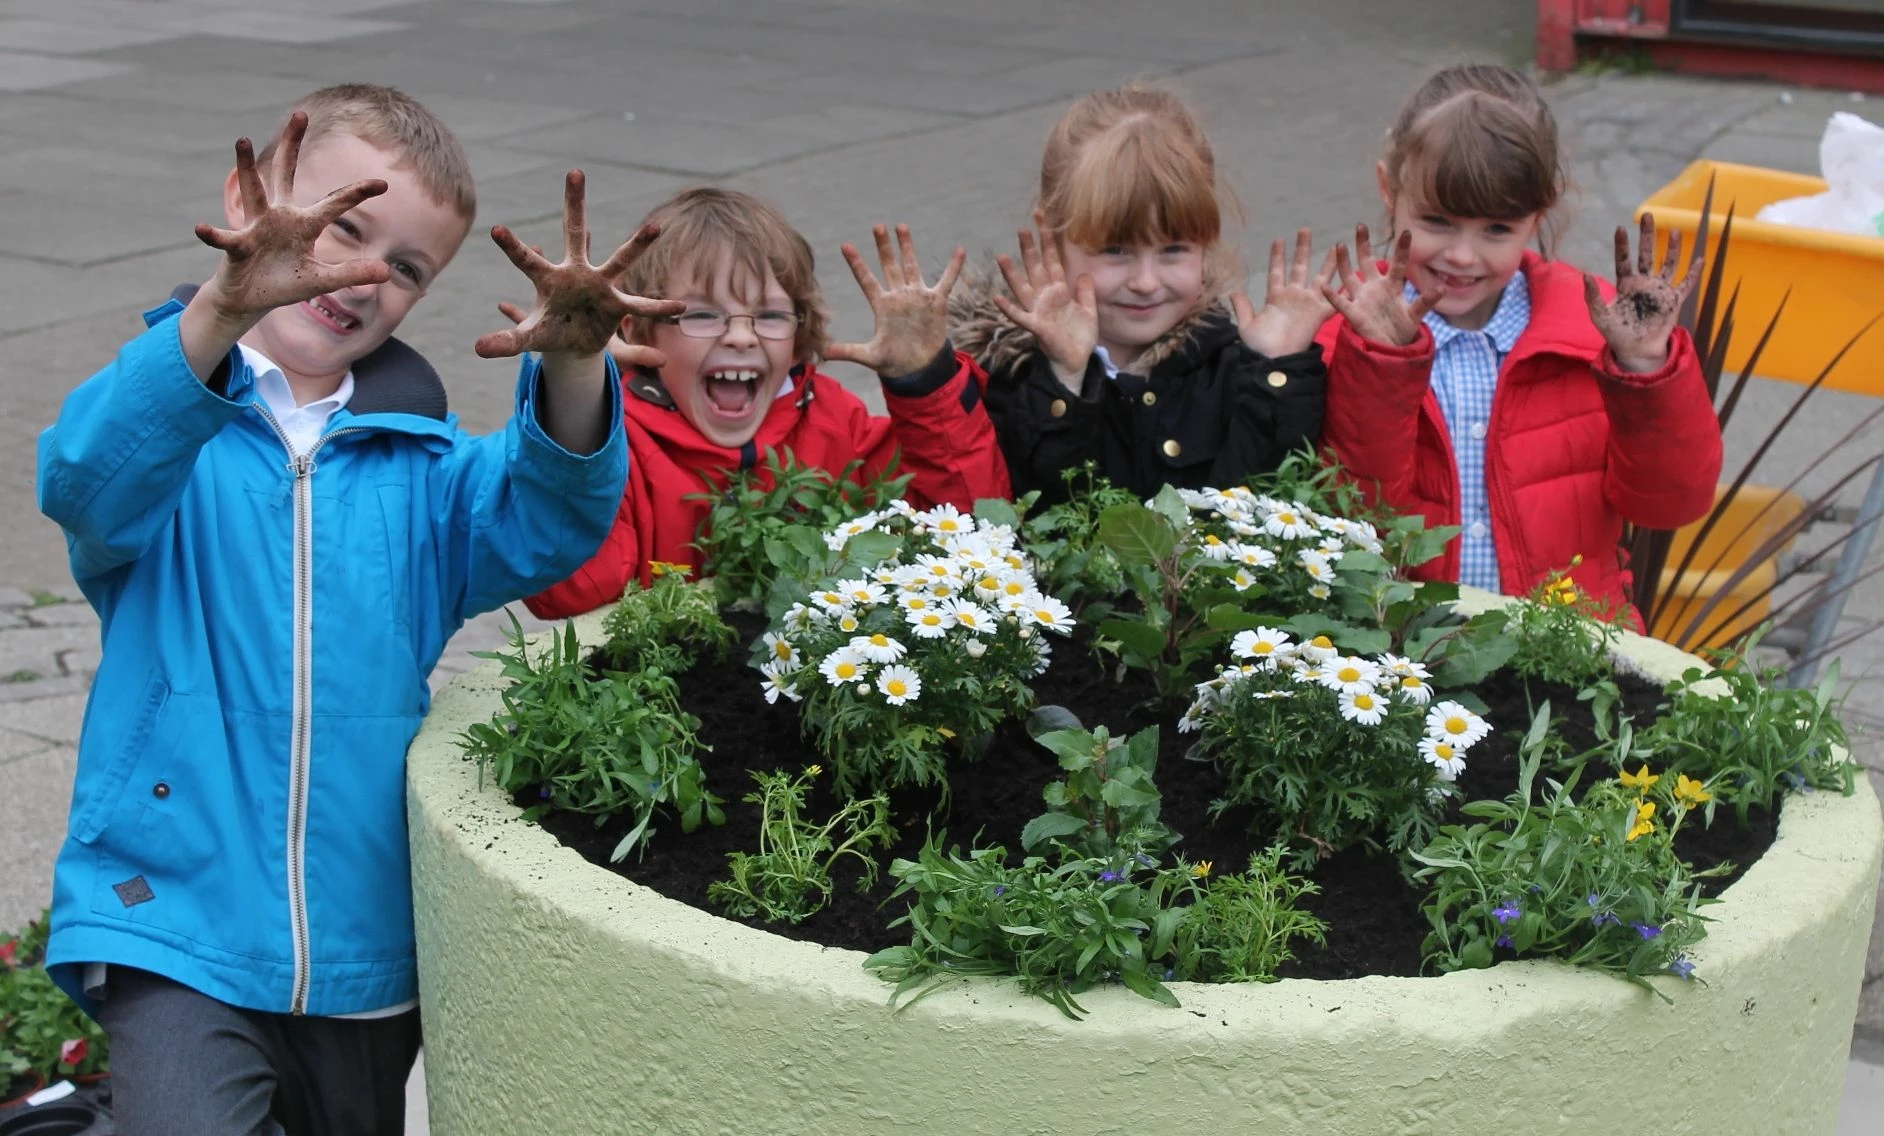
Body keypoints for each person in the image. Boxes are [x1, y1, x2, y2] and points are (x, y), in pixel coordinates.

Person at [36, 84, 672, 1134]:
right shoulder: (169, 428)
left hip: (364, 943)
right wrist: (219, 310)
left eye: (407, 266)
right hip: (172, 916)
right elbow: (84, 479)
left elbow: (549, 520)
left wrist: (573, 360)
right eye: (342, 224)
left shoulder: (426, 471)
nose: (360, 273)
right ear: (247, 197)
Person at [1316, 63, 1722, 615]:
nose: (1463, 255)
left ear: (1540, 214)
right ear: (1390, 189)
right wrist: (1383, 364)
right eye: (1438, 221)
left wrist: (1647, 370)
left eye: (1497, 230)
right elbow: (1357, 518)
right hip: (1408, 659)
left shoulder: (1596, 334)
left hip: (1570, 656)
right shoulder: (1346, 337)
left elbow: (1672, 500)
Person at [523, 186, 1010, 619]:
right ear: (635, 329)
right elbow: (566, 590)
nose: (740, 336)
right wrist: (574, 384)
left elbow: (969, 536)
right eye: (702, 314)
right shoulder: (612, 444)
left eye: (771, 315)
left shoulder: (836, 424)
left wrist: (926, 384)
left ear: (800, 337)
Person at [958, 84, 1331, 506]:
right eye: (1116, 250)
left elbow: (1264, 508)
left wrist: (1274, 374)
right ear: (1052, 237)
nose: (1146, 282)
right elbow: (1034, 507)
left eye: (1174, 249)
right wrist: (1065, 380)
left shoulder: (1233, 369)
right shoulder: (1007, 372)